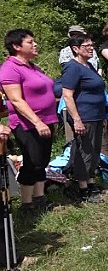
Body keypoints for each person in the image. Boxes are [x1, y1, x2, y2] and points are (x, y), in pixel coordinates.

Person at [0, 29, 57, 218]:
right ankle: (26, 204)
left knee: (42, 161)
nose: (35, 44)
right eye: (30, 42)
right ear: (16, 46)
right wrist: (37, 122)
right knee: (31, 162)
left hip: (46, 121)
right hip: (27, 124)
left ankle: (40, 198)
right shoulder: (10, 69)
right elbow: (16, 100)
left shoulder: (32, 66)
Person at [61, 34, 108, 203]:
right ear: (75, 49)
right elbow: (67, 95)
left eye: (91, 44)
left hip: (96, 116)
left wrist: (102, 116)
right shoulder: (72, 67)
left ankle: (91, 183)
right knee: (84, 152)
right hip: (84, 116)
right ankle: (82, 189)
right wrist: (77, 119)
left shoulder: (89, 65)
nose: (91, 48)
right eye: (86, 45)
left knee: (94, 151)